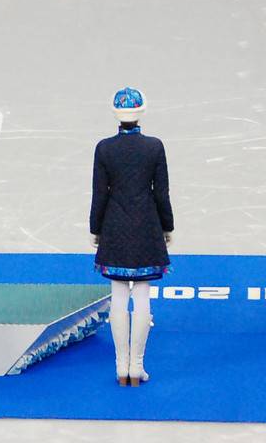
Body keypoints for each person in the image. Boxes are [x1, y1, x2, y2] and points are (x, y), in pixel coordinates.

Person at [91, 87, 173, 386]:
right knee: (141, 295)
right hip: (146, 227)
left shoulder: (104, 149)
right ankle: (137, 366)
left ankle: (120, 366)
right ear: (141, 112)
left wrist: (95, 229)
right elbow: (161, 194)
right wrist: (168, 226)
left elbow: (99, 194)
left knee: (118, 296)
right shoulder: (154, 147)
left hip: (114, 228)